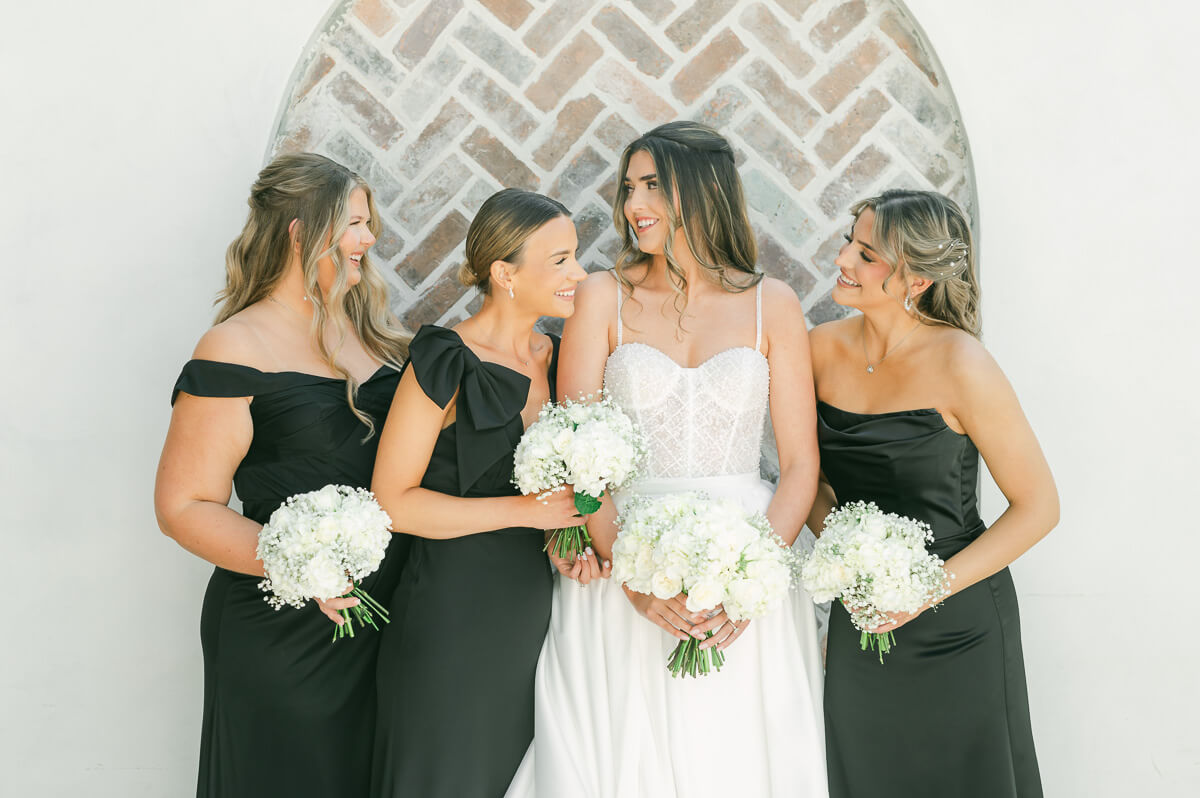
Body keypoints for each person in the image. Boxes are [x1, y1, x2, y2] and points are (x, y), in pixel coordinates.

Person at [508, 121, 828, 798]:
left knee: (735, 758)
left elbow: (800, 465)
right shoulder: (601, 297)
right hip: (622, 548)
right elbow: (578, 452)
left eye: (652, 185)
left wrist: (753, 582)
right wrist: (631, 577)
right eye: (628, 188)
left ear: (703, 189)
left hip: (747, 560)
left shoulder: (775, 305)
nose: (633, 205)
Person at [154, 152, 410, 797]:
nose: (369, 240)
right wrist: (303, 566)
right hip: (285, 632)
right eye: (354, 223)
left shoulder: (370, 334)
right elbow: (183, 506)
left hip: (384, 628)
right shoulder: (234, 347)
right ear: (302, 230)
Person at [809, 189, 1058, 797]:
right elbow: (810, 483)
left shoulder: (963, 363)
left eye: (866, 254)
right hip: (861, 614)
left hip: (959, 618)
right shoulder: (818, 350)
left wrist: (920, 592)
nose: (843, 258)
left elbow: (1039, 508)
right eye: (850, 241)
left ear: (916, 279)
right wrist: (848, 556)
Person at [369, 189, 590, 798]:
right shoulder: (445, 360)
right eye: (561, 261)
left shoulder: (562, 356)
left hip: (541, 616)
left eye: (576, 258)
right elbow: (391, 501)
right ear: (504, 273)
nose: (580, 274)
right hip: (453, 613)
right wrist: (526, 511)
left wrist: (564, 538)